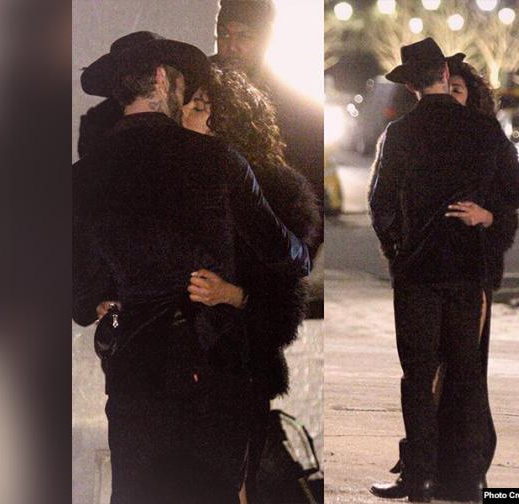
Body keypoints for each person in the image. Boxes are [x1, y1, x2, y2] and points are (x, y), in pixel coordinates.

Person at [73, 32, 311, 504]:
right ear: (163, 79)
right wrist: (237, 290)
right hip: (211, 364)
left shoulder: (82, 176)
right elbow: (290, 257)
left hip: (134, 371)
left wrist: (94, 302)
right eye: (183, 84)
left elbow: (70, 278)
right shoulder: (216, 160)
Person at [368, 38, 519, 503]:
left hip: (418, 273)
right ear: (444, 74)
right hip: (467, 269)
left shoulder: (400, 133)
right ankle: (467, 481)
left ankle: (419, 477)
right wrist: (486, 210)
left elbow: (380, 203)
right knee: (465, 374)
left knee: (418, 377)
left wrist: (398, 249)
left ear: (412, 86)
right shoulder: (483, 130)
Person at [179, 64, 320, 502]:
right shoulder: (170, 176)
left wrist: (232, 295)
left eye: (199, 107)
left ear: (227, 118)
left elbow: (286, 299)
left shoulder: (272, 187)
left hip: (238, 361)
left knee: (237, 480)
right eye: (187, 104)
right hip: (176, 361)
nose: (186, 114)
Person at [212, 0, 324, 257]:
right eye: (224, 33)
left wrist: (297, 256)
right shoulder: (196, 85)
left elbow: (313, 188)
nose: (231, 45)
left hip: (263, 247)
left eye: (244, 35)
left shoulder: (297, 107)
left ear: (264, 40)